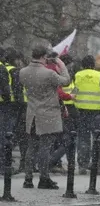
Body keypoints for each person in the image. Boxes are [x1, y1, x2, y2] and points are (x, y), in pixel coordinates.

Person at [20, 45, 71, 189]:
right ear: (43, 57)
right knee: (45, 147)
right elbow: (66, 81)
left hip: (32, 114)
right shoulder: (49, 74)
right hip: (48, 114)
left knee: (31, 147)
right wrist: (61, 65)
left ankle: (28, 179)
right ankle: (44, 178)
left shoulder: (23, 72)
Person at [73, 55, 100, 175]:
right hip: (97, 112)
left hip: (82, 112)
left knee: (83, 139)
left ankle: (82, 165)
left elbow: (75, 91)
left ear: (82, 65)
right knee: (97, 140)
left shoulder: (77, 75)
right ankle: (96, 166)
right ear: (93, 65)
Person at [48, 53, 78, 172]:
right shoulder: (56, 75)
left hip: (64, 109)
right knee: (66, 138)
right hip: (60, 109)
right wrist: (70, 96)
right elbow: (59, 92)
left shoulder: (68, 75)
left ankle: (54, 162)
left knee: (59, 138)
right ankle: (52, 161)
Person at [0, 48, 25, 174]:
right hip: (7, 106)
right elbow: (11, 90)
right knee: (7, 133)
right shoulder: (10, 70)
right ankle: (5, 163)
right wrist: (13, 101)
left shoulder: (5, 68)